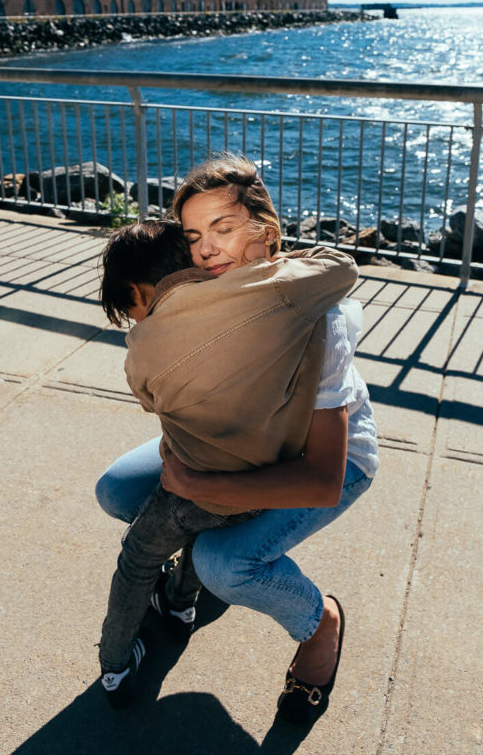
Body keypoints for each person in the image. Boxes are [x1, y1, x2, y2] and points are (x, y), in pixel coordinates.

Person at [96, 155, 379, 724]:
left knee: (223, 562)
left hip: (323, 462)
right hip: (234, 448)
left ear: (265, 234)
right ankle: (195, 574)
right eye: (194, 236)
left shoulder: (313, 320)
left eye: (222, 230)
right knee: (117, 492)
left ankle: (319, 623)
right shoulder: (210, 303)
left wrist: (203, 483)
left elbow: (322, 481)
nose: (204, 251)